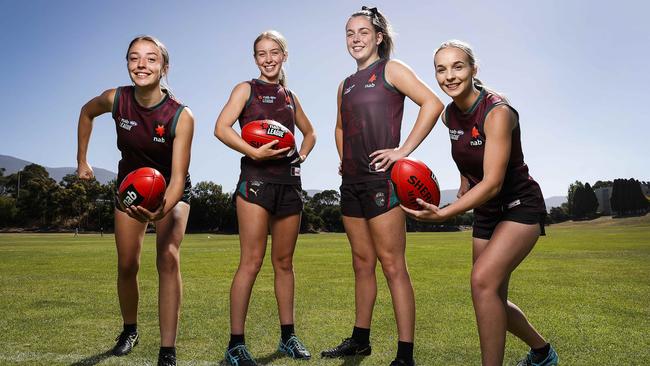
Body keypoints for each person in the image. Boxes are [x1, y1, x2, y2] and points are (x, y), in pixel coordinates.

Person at [402, 40, 558, 366]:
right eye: (441, 69)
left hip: (519, 206)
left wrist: (444, 213)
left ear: (474, 69)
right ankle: (542, 353)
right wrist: (461, 180)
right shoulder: (449, 115)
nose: (449, 76)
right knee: (490, 295)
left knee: (481, 282)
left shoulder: (498, 112)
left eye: (458, 67)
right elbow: (464, 153)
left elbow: (492, 183)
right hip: (487, 213)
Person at [320, 7, 443, 366]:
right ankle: (360, 340)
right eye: (349, 33)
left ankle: (405, 355)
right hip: (352, 183)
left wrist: (402, 152)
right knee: (361, 264)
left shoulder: (391, 70)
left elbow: (432, 103)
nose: (355, 39)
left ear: (378, 38)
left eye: (362, 32)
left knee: (393, 265)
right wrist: (345, 158)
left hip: (382, 183)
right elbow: (340, 128)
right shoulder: (345, 84)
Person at [76, 35, 194, 366]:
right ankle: (130, 330)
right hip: (131, 189)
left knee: (168, 257)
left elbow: (178, 176)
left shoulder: (181, 116)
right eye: (134, 58)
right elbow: (86, 113)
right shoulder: (116, 99)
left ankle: (167, 349)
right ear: (128, 64)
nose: (141, 64)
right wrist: (82, 161)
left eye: (151, 58)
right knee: (128, 265)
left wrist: (160, 210)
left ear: (164, 67)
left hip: (172, 189)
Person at [214, 30, 316, 366]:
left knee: (284, 264)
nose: (268, 59)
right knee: (251, 262)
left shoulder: (290, 96)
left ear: (284, 55)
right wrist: (252, 152)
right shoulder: (246, 89)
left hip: (289, 185)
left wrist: (301, 153)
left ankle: (288, 338)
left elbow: (310, 132)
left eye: (274, 52)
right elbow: (222, 127)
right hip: (256, 183)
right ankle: (235, 345)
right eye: (261, 54)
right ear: (255, 58)